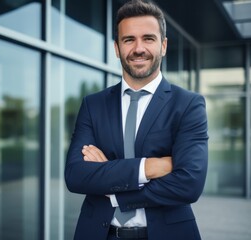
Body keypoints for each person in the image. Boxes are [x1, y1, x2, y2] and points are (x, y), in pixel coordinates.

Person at [65, 0, 208, 239]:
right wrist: (149, 167)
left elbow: (189, 184)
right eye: (128, 39)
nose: (138, 48)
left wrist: (113, 187)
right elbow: (76, 175)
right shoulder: (93, 104)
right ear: (117, 48)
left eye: (148, 39)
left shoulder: (188, 105)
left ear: (163, 46)